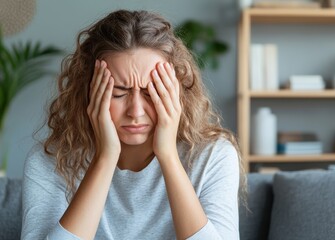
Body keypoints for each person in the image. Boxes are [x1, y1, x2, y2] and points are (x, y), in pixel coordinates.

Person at [21, 9, 245, 240]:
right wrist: (105, 157)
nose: (135, 111)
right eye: (118, 93)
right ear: (88, 92)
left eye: (152, 92)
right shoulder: (48, 161)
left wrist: (167, 156)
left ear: (177, 92)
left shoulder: (213, 157)